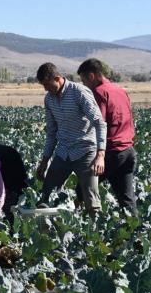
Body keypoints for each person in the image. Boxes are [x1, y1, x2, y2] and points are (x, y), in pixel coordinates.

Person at [35, 62, 106, 217]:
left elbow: (99, 123)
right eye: (43, 85)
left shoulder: (79, 92)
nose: (46, 89)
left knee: (91, 199)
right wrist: (45, 160)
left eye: (47, 84)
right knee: (47, 193)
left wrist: (100, 155)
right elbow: (52, 132)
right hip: (63, 151)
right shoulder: (49, 100)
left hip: (85, 151)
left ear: (58, 78)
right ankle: (49, 231)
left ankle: (97, 234)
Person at [77, 58, 138, 216]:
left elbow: (98, 124)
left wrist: (98, 155)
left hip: (111, 152)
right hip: (128, 151)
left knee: (83, 187)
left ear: (91, 76)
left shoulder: (99, 93)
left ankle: (81, 226)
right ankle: (136, 233)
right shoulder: (120, 90)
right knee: (126, 199)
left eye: (84, 81)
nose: (84, 85)